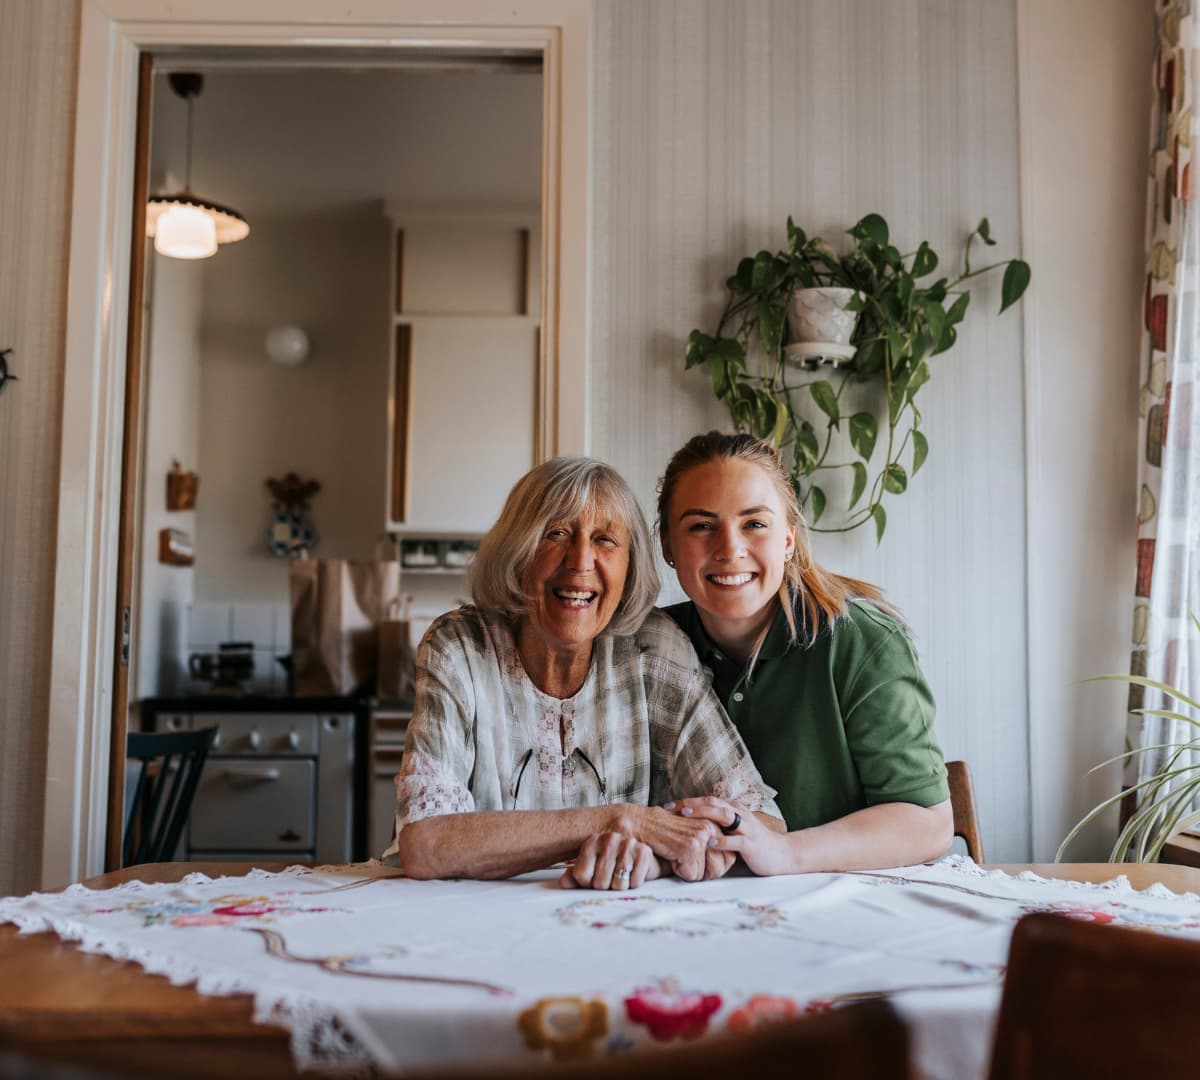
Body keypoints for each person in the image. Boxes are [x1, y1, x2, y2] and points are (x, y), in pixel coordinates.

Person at [386, 456, 782, 889]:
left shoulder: (654, 651)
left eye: (605, 539)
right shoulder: (460, 647)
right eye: (556, 534)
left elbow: (761, 823)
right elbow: (424, 844)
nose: (580, 561)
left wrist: (658, 857)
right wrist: (619, 820)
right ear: (517, 552)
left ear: (629, 565)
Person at [656, 431, 952, 875]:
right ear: (667, 546)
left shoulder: (863, 641)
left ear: (789, 540)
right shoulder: (652, 647)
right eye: (701, 526)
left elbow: (927, 822)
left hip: (841, 908)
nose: (729, 549)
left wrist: (786, 852)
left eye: (754, 524)